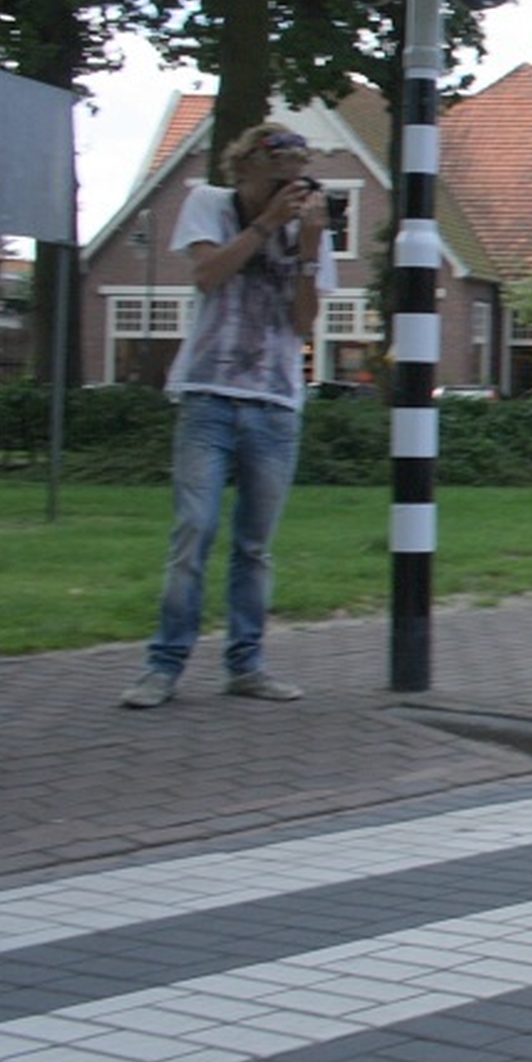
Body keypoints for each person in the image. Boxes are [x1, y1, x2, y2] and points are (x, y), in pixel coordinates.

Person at [120, 123, 339, 709]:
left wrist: (310, 252)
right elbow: (207, 275)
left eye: (294, 183)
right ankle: (163, 666)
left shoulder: (308, 229)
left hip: (275, 403)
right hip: (209, 395)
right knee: (194, 531)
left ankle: (247, 664)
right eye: (275, 182)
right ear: (242, 172)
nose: (286, 193)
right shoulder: (208, 205)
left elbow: (301, 322)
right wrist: (266, 225)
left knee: (254, 546)